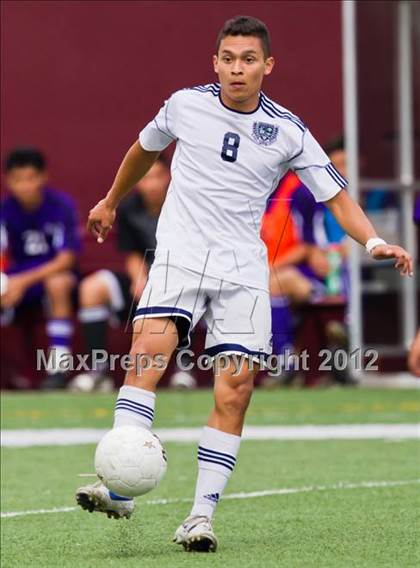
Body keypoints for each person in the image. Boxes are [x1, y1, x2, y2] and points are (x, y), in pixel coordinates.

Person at [76, 16, 413, 552]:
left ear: (267, 66)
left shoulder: (288, 131)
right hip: (181, 255)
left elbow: (337, 199)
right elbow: (143, 149)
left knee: (236, 390)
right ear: (215, 62)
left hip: (241, 268)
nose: (238, 68)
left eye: (249, 59)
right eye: (228, 58)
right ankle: (119, 486)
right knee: (147, 354)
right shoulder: (184, 104)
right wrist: (111, 200)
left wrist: (374, 243)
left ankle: (199, 518)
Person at [0, 147, 80, 389]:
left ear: (43, 177)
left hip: (53, 275)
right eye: (18, 180)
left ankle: (59, 367)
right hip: (16, 278)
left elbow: (66, 259)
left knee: (57, 283)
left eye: (30, 178)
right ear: (8, 181)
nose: (25, 186)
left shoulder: (61, 206)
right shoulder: (4, 210)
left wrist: (22, 282)